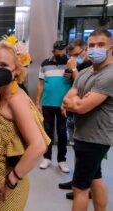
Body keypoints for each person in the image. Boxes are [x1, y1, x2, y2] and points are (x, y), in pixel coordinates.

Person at [0, 41, 50, 211]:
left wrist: (10, 180)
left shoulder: (16, 101)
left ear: (17, 71)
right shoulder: (0, 94)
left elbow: (38, 146)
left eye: (4, 65)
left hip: (7, 187)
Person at [62, 28, 113, 211]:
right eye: (91, 45)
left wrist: (77, 102)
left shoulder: (109, 75)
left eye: (101, 45)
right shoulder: (85, 73)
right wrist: (76, 101)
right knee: (95, 177)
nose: (95, 48)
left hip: (96, 137)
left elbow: (81, 107)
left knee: (80, 187)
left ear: (110, 48)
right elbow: (68, 100)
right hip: (83, 134)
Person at [58, 39, 93, 200]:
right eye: (71, 56)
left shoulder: (92, 67)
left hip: (90, 117)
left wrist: (73, 68)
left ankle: (86, 186)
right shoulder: (79, 66)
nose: (74, 58)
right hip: (74, 113)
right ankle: (77, 180)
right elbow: (74, 87)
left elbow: (83, 86)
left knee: (90, 156)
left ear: (85, 50)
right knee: (77, 149)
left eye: (77, 55)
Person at [36, 40, 71, 173]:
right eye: (59, 50)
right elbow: (40, 84)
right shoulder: (45, 63)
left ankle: (62, 160)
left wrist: (72, 73)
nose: (61, 52)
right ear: (53, 51)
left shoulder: (70, 63)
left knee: (62, 132)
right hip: (47, 103)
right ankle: (47, 158)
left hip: (64, 104)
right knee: (47, 131)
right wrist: (38, 102)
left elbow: (76, 82)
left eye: (63, 50)